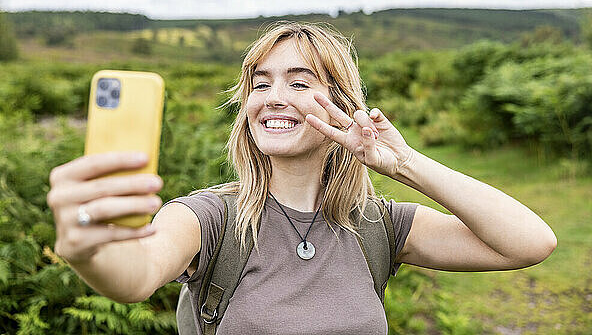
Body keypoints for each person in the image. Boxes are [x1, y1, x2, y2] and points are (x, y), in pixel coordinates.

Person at [46, 21, 557, 334]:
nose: (271, 97)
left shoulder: (378, 226)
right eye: (260, 82)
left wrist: (402, 164)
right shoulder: (208, 218)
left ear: (339, 101)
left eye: (299, 82)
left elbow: (529, 244)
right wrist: (91, 249)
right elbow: (134, 277)